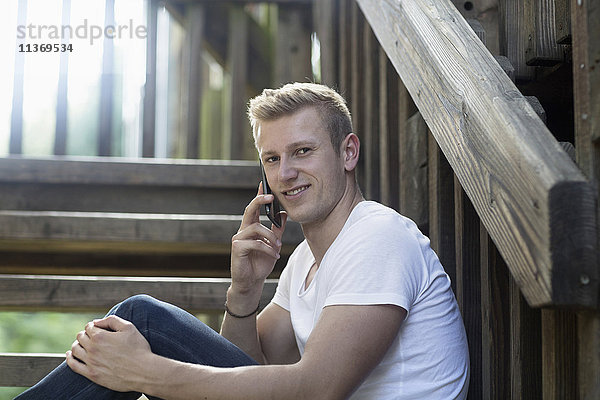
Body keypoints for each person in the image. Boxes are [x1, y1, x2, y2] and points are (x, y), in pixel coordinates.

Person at [16, 82, 469, 399]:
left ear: (348, 152)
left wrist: (148, 372)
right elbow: (250, 366)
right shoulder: (308, 259)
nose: (286, 172)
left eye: (303, 151)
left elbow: (315, 390)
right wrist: (245, 292)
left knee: (143, 323)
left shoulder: (378, 236)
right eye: (272, 158)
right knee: (138, 327)